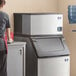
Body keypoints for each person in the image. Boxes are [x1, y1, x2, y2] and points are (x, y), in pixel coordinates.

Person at [0, 0, 13, 76]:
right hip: (1, 46)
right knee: (2, 70)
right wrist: (9, 39)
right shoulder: (5, 15)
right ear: (3, 4)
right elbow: (8, 29)